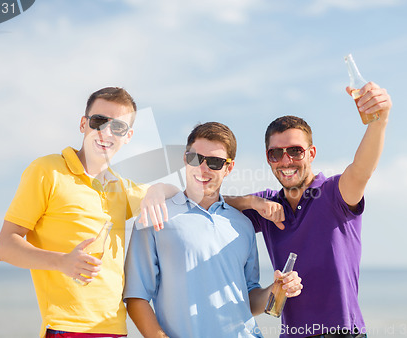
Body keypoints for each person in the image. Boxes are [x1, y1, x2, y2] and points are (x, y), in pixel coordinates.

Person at [0, 87, 178, 338]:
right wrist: (62, 262)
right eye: (99, 121)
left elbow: (176, 193)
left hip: (115, 328)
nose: (106, 132)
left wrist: (159, 188)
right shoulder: (47, 170)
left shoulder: (120, 186)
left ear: (128, 136)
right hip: (67, 327)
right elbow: (4, 247)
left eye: (118, 127)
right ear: (84, 124)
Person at [225, 82, 392, 338]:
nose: (286, 160)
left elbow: (362, 169)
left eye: (295, 151)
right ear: (268, 157)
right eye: (276, 154)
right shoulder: (268, 204)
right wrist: (252, 202)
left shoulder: (334, 193)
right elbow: (212, 204)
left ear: (311, 153)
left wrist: (378, 122)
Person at [123, 122, 303, 338]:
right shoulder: (153, 215)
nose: (203, 168)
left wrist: (274, 290)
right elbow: (136, 297)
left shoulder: (242, 225)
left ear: (229, 168)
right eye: (195, 158)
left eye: (215, 162)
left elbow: (249, 299)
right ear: (184, 159)